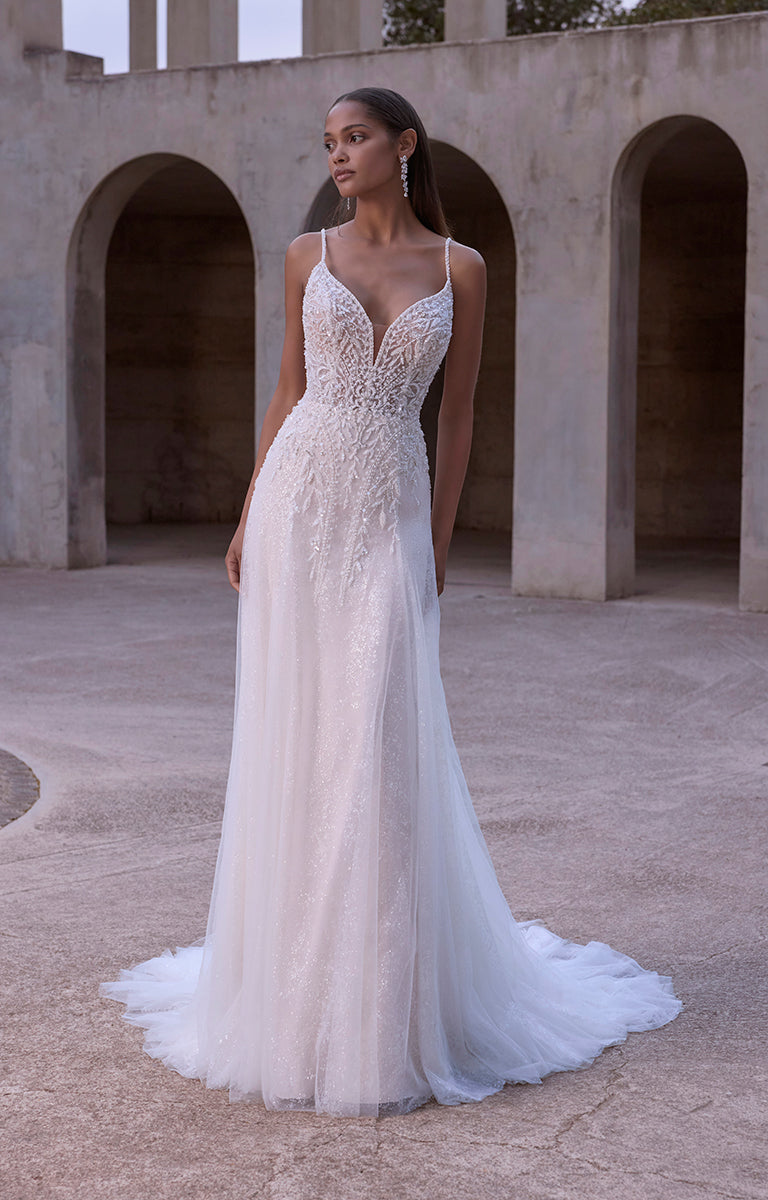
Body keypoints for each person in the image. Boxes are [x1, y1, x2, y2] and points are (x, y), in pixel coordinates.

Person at [100, 87, 682, 1117]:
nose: (339, 154)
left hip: (388, 514)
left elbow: (457, 420)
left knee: (375, 741)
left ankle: (387, 1006)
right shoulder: (302, 256)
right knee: (301, 738)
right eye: (328, 141)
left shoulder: (463, 268)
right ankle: (298, 997)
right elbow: (286, 392)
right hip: (300, 507)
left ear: (404, 145)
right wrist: (245, 517)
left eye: (356, 137)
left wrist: (439, 542)